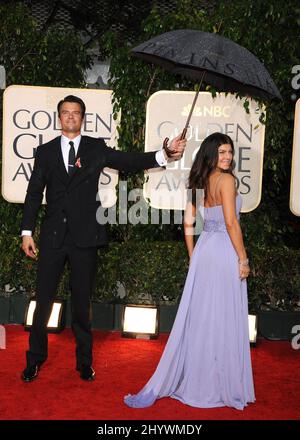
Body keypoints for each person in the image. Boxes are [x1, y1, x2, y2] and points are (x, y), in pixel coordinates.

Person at [21, 95, 186, 382]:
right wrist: (26, 232)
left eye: (75, 113)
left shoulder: (95, 148)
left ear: (82, 118)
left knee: (82, 304)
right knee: (43, 302)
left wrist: (164, 154)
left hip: (85, 237)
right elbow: (34, 193)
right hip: (53, 238)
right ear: (59, 118)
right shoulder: (45, 152)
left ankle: (84, 362)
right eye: (65, 113)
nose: (70, 117)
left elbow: (129, 161)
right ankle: (35, 360)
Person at [124, 132, 255, 410]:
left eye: (230, 152)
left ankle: (201, 379)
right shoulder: (228, 180)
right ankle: (219, 383)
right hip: (224, 252)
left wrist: (194, 255)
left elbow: (187, 224)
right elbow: (232, 223)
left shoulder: (198, 181)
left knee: (204, 317)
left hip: (206, 251)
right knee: (222, 317)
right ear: (210, 154)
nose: (228, 157)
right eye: (221, 152)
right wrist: (242, 258)